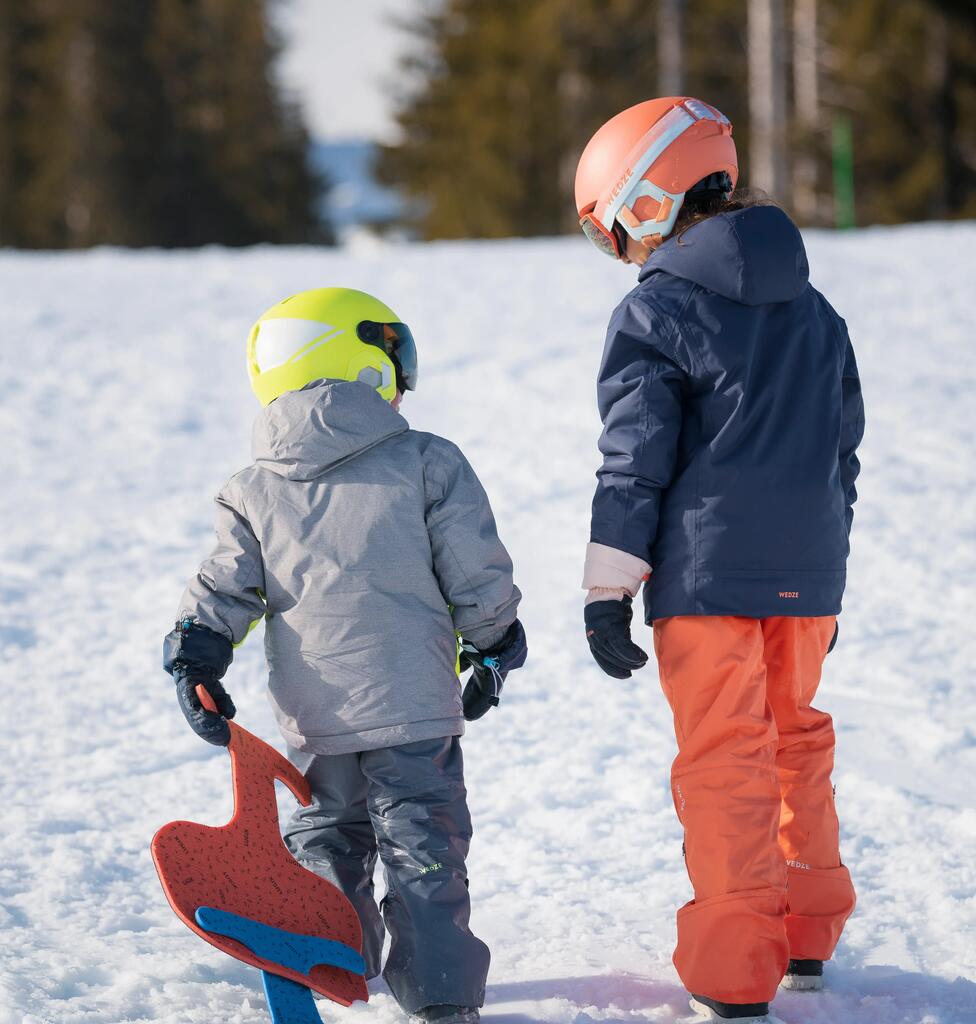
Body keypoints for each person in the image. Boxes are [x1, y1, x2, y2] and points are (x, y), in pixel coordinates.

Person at [162, 287, 526, 1024]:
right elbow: (475, 572)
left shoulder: (252, 489)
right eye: (392, 353)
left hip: (314, 713)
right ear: (357, 362)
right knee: (422, 841)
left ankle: (337, 959)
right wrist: (493, 644)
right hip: (415, 708)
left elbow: (223, 587)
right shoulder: (427, 461)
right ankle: (442, 991)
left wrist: (196, 658)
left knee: (328, 834)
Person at [574, 97, 863, 1023]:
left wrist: (609, 587)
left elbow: (636, 457)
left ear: (648, 201)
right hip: (807, 572)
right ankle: (809, 928)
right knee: (796, 736)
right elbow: (840, 449)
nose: (627, 255)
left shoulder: (656, 309)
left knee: (726, 754)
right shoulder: (815, 308)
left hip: (706, 580)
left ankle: (737, 962)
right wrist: (827, 574)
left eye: (619, 233)